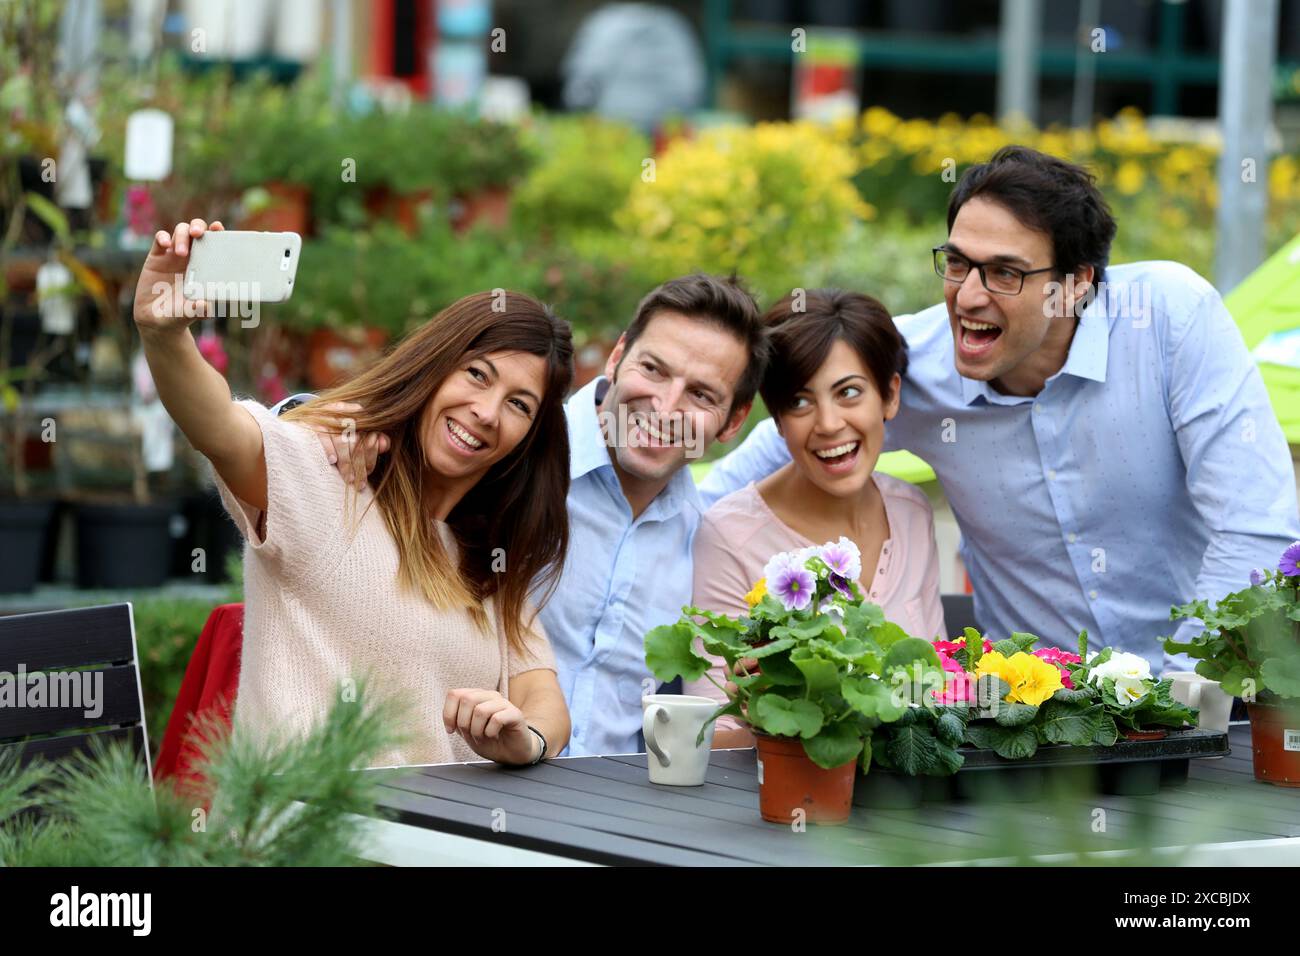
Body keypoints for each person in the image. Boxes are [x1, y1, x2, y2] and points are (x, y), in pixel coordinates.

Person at [702, 146, 1300, 674]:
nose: (967, 297)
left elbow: (1254, 524)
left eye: (1005, 273)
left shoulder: (1173, 318)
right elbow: (778, 448)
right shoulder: (912, 366)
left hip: (1208, 690)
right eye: (958, 263)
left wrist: (1182, 694)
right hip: (1030, 721)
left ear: (1075, 284)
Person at [133, 218, 572, 768]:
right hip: (306, 838)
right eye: (478, 375)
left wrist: (522, 739)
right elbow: (221, 430)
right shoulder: (331, 477)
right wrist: (164, 335)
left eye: (519, 405)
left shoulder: (490, 561)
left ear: (530, 438)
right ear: (433, 369)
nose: (486, 413)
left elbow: (543, 697)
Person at [286, 274, 771, 756]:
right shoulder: (509, 453)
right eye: (654, 369)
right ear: (618, 356)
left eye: (701, 395)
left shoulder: (702, 536)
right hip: (461, 790)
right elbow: (411, 425)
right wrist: (311, 416)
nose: (666, 407)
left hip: (615, 814)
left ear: (733, 421)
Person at [685, 290, 945, 748]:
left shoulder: (911, 511)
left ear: (889, 395)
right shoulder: (728, 534)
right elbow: (710, 734)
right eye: (800, 402)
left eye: (849, 392)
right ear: (778, 420)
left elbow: (942, 683)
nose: (828, 423)